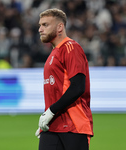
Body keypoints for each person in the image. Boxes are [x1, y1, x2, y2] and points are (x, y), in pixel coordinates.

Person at [35, 8, 94, 150]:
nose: (40, 29)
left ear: (60, 27)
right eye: (40, 25)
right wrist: (47, 118)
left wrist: (51, 111)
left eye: (45, 25)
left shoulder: (71, 48)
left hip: (73, 126)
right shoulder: (53, 54)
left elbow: (78, 87)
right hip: (52, 127)